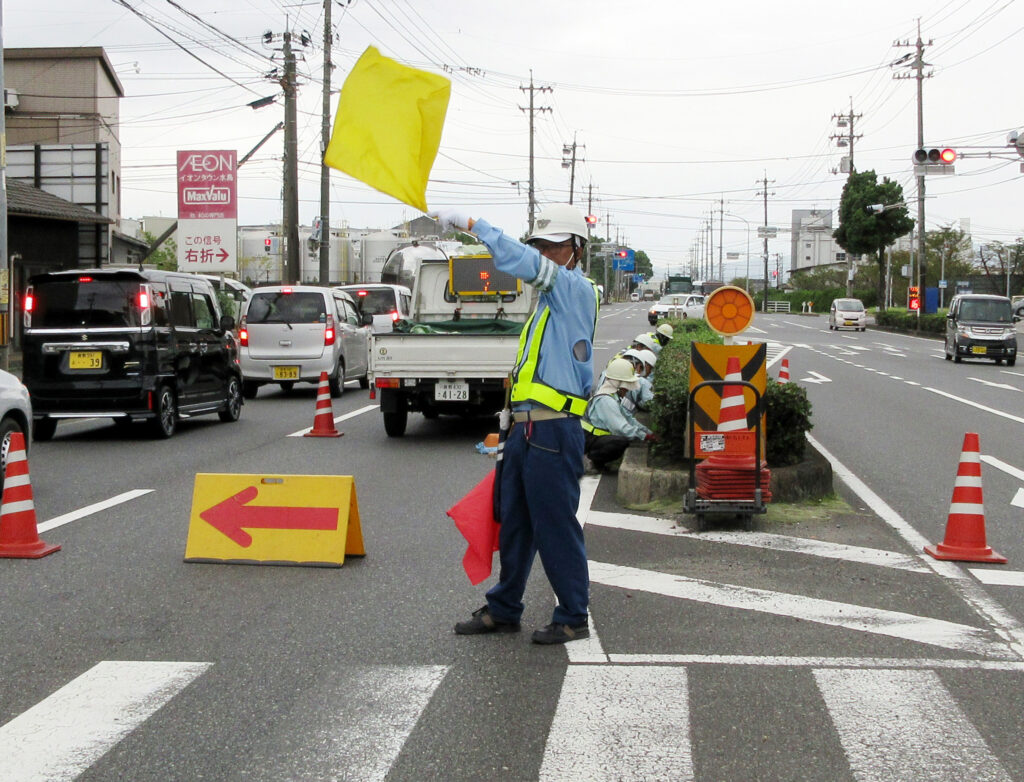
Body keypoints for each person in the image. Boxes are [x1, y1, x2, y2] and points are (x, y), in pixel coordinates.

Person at [430, 203, 600, 645]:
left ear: (576, 251)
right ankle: (505, 608)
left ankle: (573, 616)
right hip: (527, 429)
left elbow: (516, 260)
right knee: (517, 523)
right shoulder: (547, 304)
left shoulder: (573, 290)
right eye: (540, 246)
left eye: (554, 246)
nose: (544, 254)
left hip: (553, 428)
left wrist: (471, 226)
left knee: (555, 524)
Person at [581, 357, 657, 472]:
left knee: (623, 439)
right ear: (618, 384)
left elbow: (629, 419)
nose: (627, 391)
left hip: (594, 438)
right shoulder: (605, 400)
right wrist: (644, 436)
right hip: (587, 439)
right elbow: (620, 428)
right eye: (626, 387)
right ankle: (590, 461)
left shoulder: (612, 397)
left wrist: (649, 433)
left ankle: (596, 462)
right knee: (620, 442)